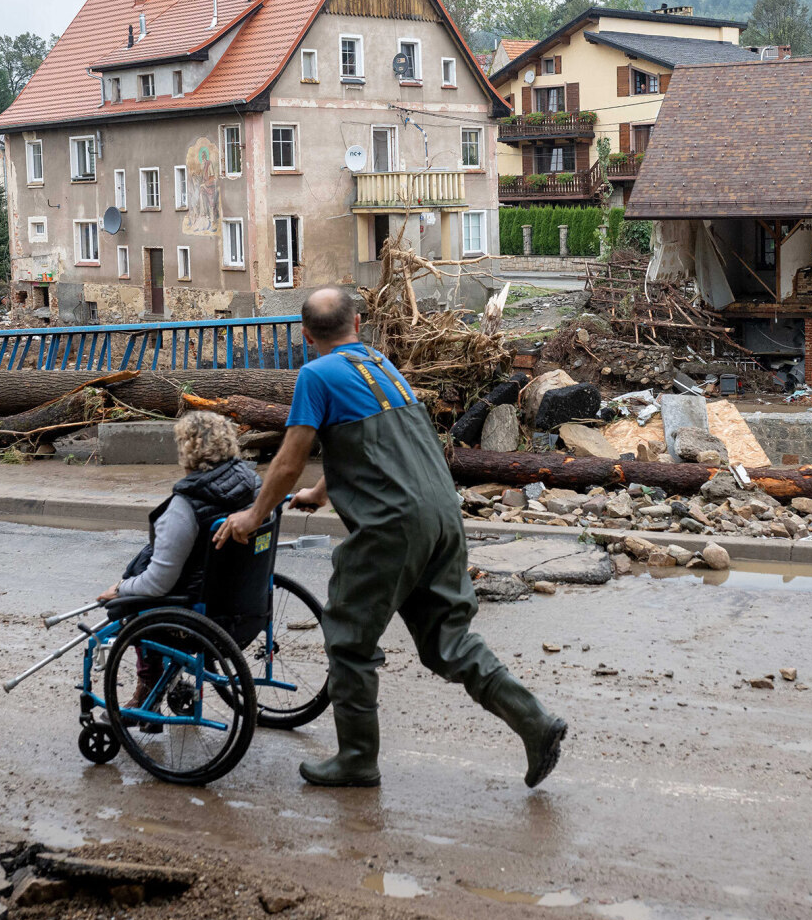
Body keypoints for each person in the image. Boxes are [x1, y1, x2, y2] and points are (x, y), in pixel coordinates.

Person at [216, 287, 566, 789]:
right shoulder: (380, 365)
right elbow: (375, 446)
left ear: (306, 335)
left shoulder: (315, 375)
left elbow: (289, 458)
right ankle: (535, 722)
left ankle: (357, 759)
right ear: (357, 327)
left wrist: (253, 515)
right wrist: (321, 491)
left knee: (348, 636)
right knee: (448, 641)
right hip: (441, 514)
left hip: (391, 525)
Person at [99, 410, 261, 723]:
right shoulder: (253, 484)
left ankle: (147, 692)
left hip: (198, 618)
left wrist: (120, 589)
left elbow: (158, 583)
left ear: (186, 449)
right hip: (246, 609)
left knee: (130, 609)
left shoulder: (184, 506)